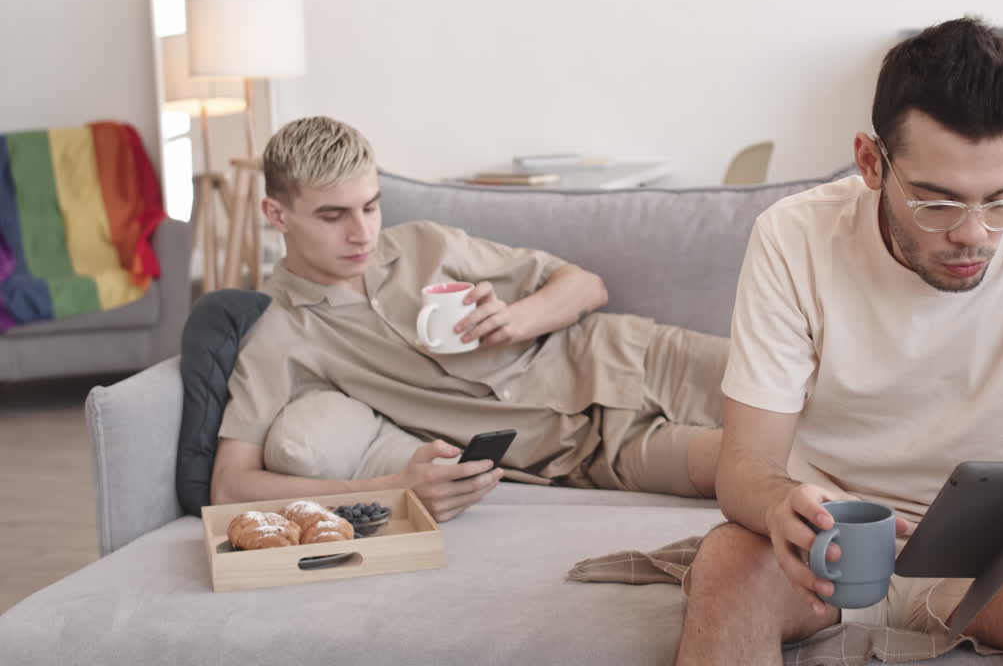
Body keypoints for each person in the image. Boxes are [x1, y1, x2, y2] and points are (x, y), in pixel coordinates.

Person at [676, 17, 1003, 665]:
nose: (975, 234)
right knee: (724, 561)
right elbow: (744, 468)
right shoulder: (792, 238)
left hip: (996, 560)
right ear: (870, 163)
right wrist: (776, 505)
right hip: (830, 546)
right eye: (938, 204)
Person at [210, 116, 726, 522]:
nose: (362, 234)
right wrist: (391, 491)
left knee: (782, 390)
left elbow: (586, 285)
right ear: (276, 215)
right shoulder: (280, 334)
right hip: (590, 454)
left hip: (632, 355)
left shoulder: (425, 244)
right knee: (755, 466)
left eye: (370, 207)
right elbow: (230, 487)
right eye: (333, 216)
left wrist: (519, 319)